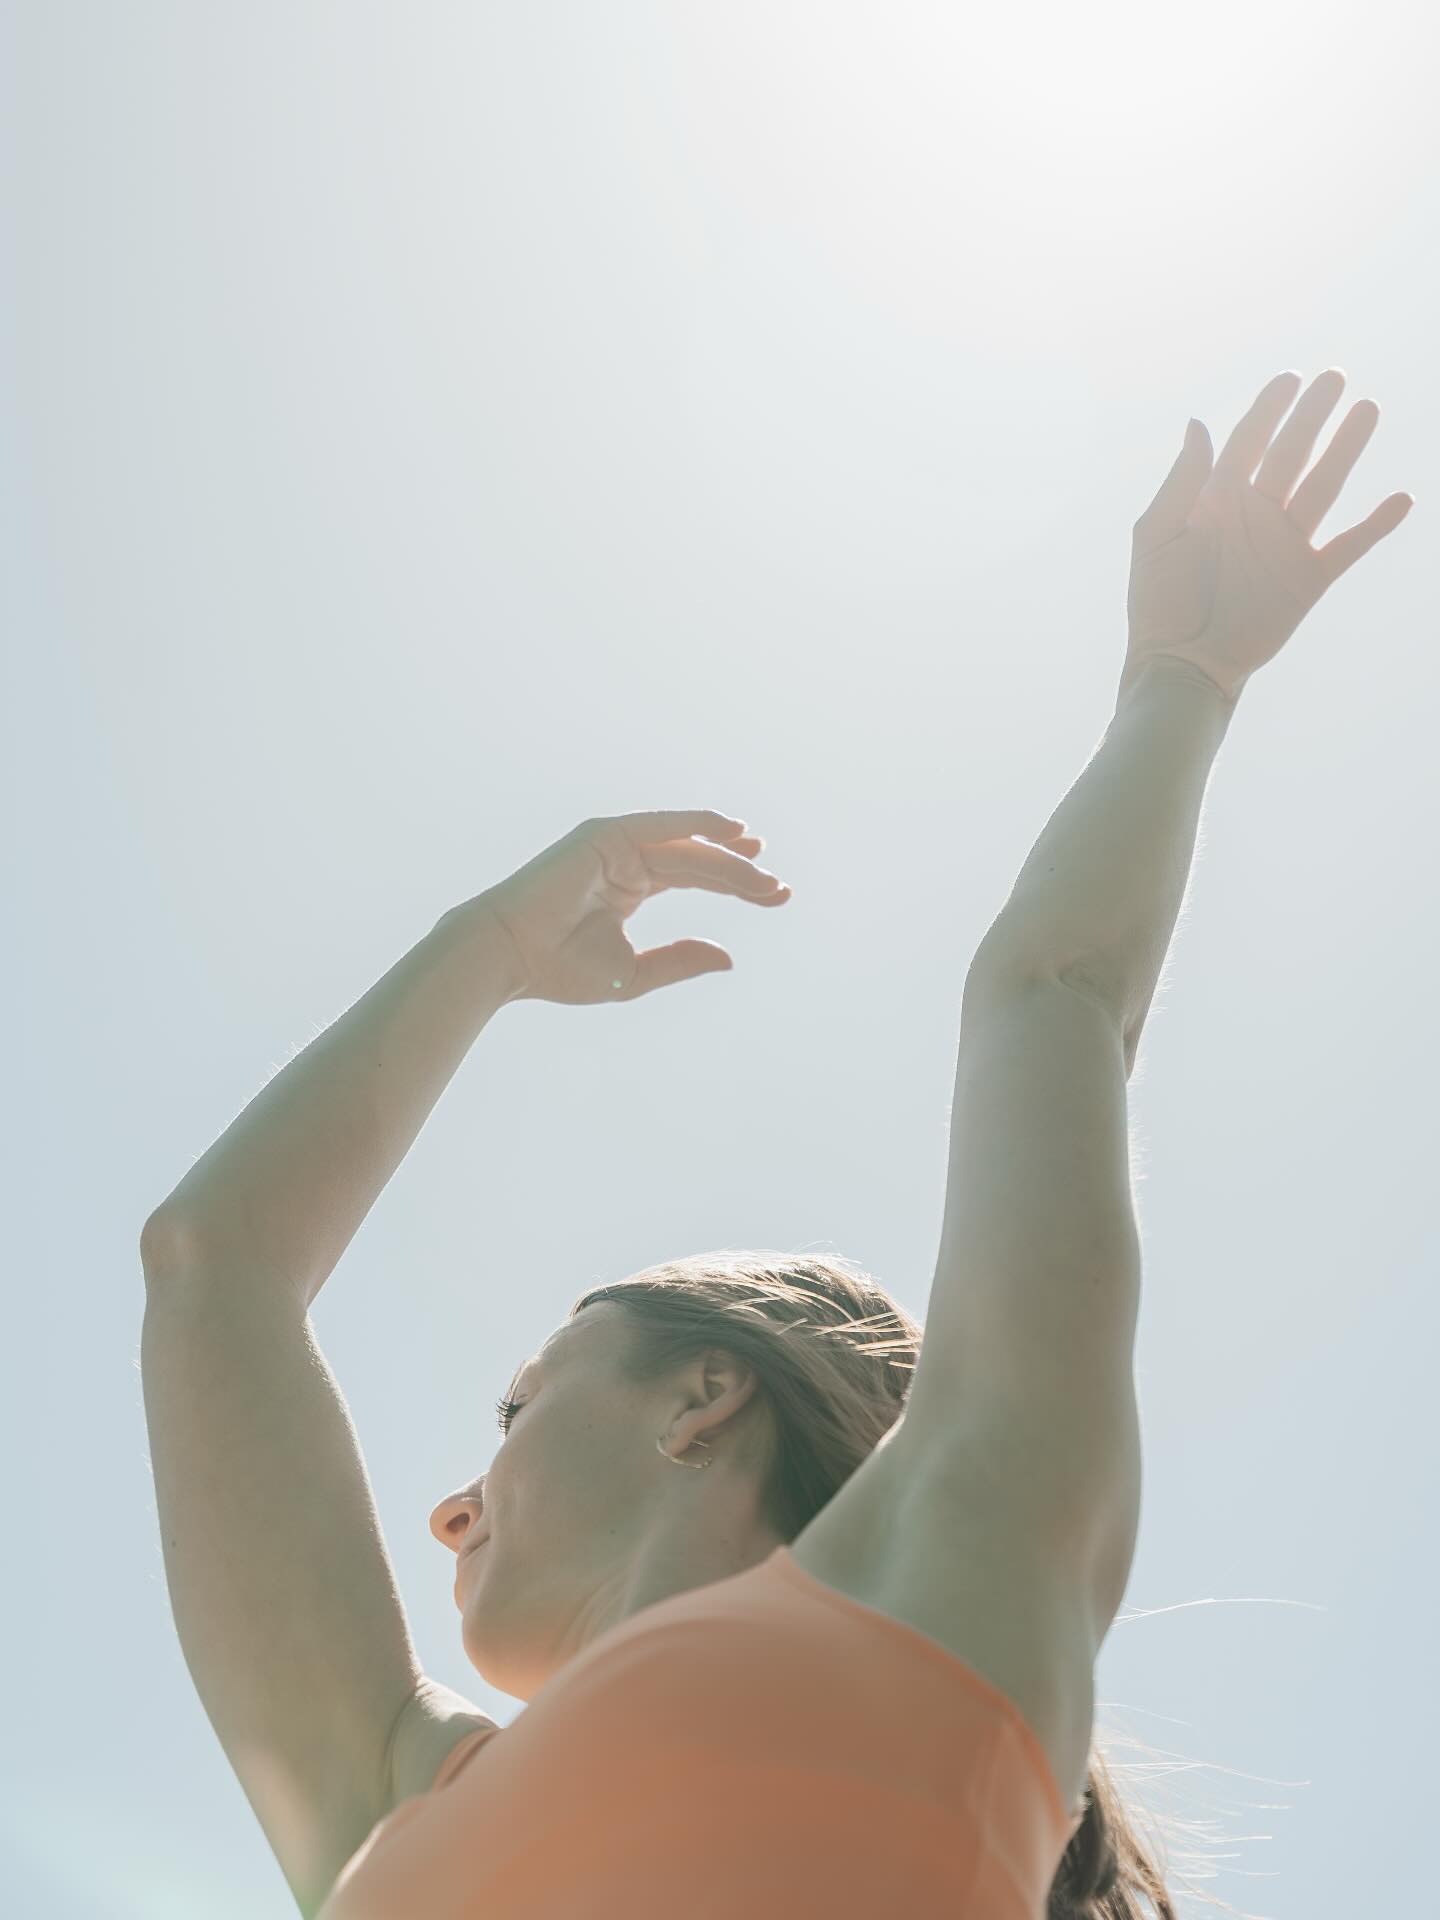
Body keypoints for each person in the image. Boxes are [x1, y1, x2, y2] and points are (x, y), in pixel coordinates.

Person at [140, 368, 1412, 1919]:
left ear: (702, 1396)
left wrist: (1184, 679)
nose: (453, 1507)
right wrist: (491, 940)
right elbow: (213, 1273)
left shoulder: (956, 1585)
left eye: (519, 1398)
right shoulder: (392, 1797)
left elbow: (1054, 995)